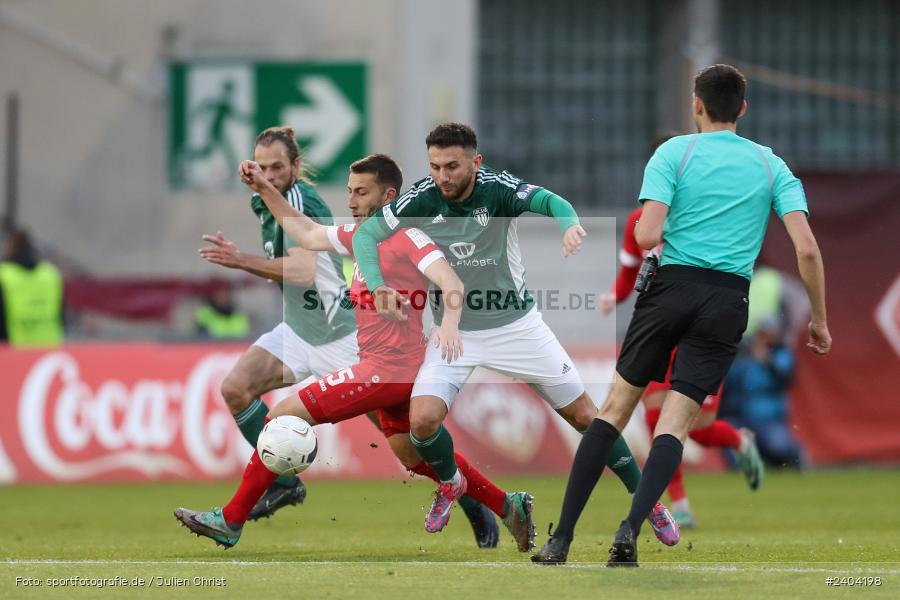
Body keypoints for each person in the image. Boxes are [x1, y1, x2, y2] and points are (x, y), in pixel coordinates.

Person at [532, 64, 831, 567]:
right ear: (742, 108)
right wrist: (819, 320)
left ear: (696, 105)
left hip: (669, 290)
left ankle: (560, 540)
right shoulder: (770, 165)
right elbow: (806, 249)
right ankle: (629, 531)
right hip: (726, 300)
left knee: (614, 411)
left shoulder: (673, 152)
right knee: (675, 422)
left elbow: (647, 235)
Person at [350, 123, 679, 548]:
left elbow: (548, 200)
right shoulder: (421, 197)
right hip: (456, 333)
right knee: (423, 423)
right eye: (435, 166)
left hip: (518, 329)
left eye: (452, 166)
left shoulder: (497, 188)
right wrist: (377, 285)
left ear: (476, 162)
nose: (443, 176)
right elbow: (368, 233)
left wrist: (569, 224)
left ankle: (648, 502)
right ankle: (451, 483)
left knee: (587, 417)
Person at [175, 154, 527, 550]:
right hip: (383, 367)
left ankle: (231, 519)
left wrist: (448, 323)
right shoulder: (360, 237)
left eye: (362, 192)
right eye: (349, 192)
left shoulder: (408, 238)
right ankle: (507, 504)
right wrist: (264, 189)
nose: (352, 201)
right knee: (413, 459)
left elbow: (450, 280)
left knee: (281, 417)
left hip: (390, 368)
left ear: (388, 195)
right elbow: (307, 235)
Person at [198, 127, 357, 520]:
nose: (269, 176)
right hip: (300, 330)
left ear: (296, 167)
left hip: (341, 338)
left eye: (278, 168)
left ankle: (475, 498)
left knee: (406, 436)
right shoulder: (263, 201)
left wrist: (241, 261)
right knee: (236, 388)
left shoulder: (302, 201)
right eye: (262, 167)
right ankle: (284, 484)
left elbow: (303, 271)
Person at [599, 198, 765, 529]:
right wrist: (612, 298)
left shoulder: (706, 213)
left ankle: (739, 442)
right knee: (655, 413)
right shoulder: (639, 221)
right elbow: (630, 271)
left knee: (698, 427)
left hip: (702, 330)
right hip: (662, 328)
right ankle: (679, 503)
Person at [723, 317, 805, 468]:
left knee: (779, 448)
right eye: (762, 333)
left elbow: (786, 379)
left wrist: (768, 360)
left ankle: (795, 457)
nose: (765, 336)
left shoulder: (781, 353)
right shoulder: (742, 355)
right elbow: (729, 383)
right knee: (731, 447)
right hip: (740, 416)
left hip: (769, 417)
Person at [0, 228, 64, 347]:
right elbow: (62, 316)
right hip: (48, 352)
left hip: (13, 354)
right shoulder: (50, 274)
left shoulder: (4, 274)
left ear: (9, 247)